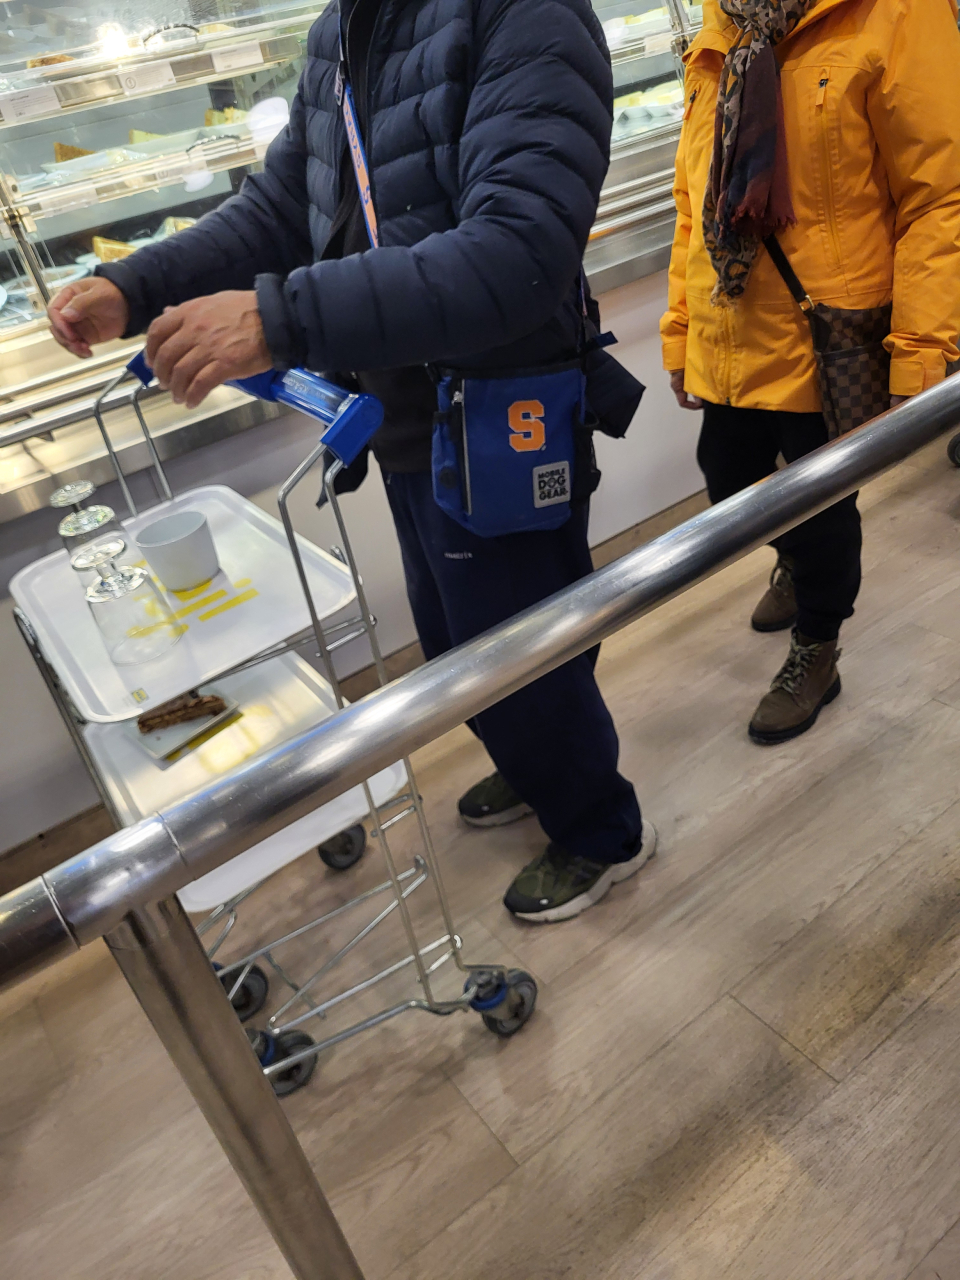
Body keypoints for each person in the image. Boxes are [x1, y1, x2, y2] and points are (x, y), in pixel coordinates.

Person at [48, 0, 655, 923]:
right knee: (460, 641)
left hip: (500, 415)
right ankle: (535, 763)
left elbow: (517, 253)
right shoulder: (345, 28)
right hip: (408, 415)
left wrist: (278, 317)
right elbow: (281, 208)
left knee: (526, 646)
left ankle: (599, 828)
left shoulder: (523, 13)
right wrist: (137, 287)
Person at [662, 0, 960, 744]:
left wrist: (920, 351)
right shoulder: (722, 23)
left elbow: (940, 196)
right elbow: (693, 202)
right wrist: (681, 331)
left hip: (830, 337)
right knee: (729, 483)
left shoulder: (893, 13)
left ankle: (817, 646)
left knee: (822, 510)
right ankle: (794, 565)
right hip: (731, 328)